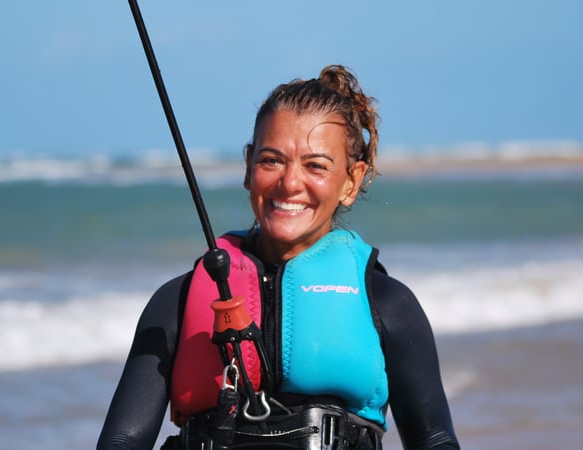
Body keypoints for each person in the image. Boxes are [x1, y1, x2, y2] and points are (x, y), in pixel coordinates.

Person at [98, 64, 459, 449]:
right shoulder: (177, 302)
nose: (289, 183)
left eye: (315, 165)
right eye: (271, 160)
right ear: (249, 165)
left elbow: (433, 439)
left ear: (351, 181)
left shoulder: (388, 304)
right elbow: (123, 440)